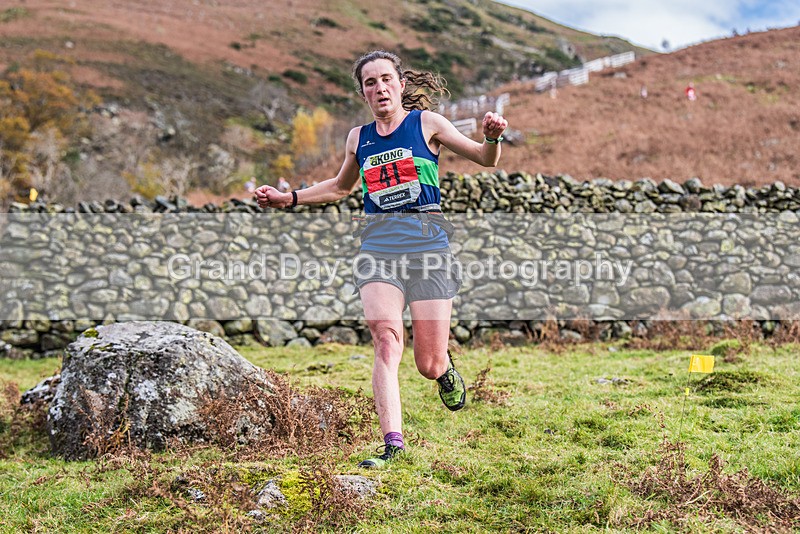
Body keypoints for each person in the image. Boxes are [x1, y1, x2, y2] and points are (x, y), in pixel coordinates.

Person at [254, 50, 508, 468]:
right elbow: (340, 186)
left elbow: (485, 159)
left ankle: (443, 369)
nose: (380, 88)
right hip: (378, 249)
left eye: (386, 79)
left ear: (401, 84)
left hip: (428, 249)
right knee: (386, 341)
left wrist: (493, 136)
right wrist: (289, 198)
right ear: (363, 92)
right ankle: (393, 444)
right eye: (370, 83)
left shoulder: (427, 125)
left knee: (427, 363)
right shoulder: (358, 138)